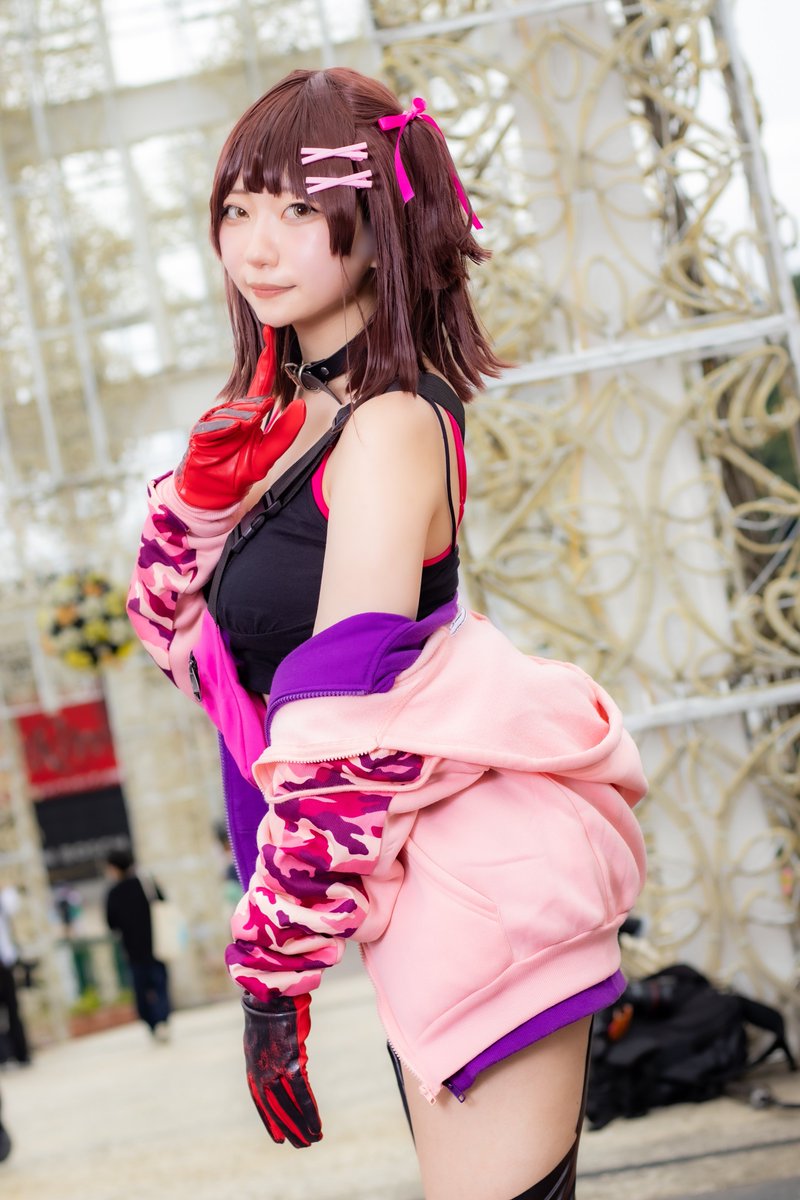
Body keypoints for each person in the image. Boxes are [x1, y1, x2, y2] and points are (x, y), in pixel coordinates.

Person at [127, 67, 647, 1200]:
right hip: (410, 876)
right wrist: (199, 502)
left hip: (477, 877)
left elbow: (341, 714)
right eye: (237, 209)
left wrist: (274, 966)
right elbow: (201, 662)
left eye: (298, 209)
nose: (257, 246)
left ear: (377, 226)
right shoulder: (288, 422)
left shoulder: (392, 424)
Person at [104, 850, 171, 1042]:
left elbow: (111, 923)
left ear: (114, 868)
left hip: (133, 951)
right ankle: (162, 1020)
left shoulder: (113, 893)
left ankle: (152, 1024)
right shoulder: (146, 884)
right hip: (156, 945)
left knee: (141, 991)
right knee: (160, 986)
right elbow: (163, 903)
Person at [0, 885, 31, 1066]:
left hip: (5, 963)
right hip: (5, 961)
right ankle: (5, 1055)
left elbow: (12, 900)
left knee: (13, 1009)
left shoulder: (4, 899)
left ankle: (20, 1053)